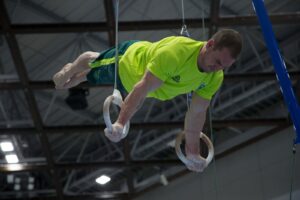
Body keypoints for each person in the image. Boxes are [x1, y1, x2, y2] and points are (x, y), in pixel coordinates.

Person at [53, 29, 243, 172]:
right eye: (217, 62)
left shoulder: (215, 77)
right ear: (209, 45)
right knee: (94, 63)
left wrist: (192, 151)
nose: (217, 69)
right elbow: (142, 88)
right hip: (128, 64)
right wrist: (120, 123)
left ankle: (80, 76)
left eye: (224, 67)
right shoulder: (176, 54)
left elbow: (197, 113)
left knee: (89, 76)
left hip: (140, 85)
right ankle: (73, 67)